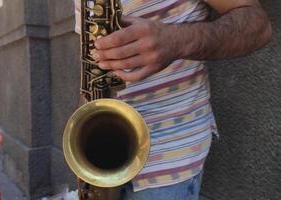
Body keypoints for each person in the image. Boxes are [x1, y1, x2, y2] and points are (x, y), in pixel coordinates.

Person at [74, 0, 272, 199]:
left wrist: (176, 41)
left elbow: (258, 25)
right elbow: (93, 66)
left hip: (168, 161)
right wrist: (81, 140)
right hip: (100, 162)